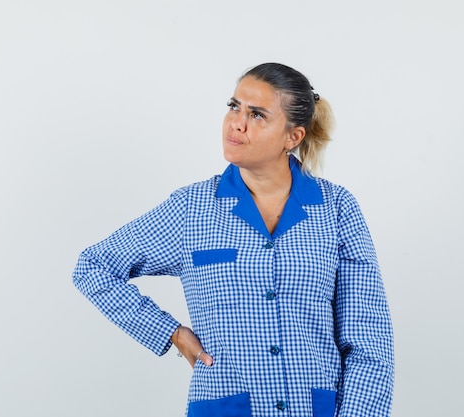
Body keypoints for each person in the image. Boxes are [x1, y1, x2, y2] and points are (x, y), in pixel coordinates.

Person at [73, 63, 394, 417]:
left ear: (293, 137)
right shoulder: (191, 209)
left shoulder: (336, 209)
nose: (236, 123)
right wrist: (172, 333)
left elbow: (369, 340)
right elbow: (93, 267)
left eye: (257, 114)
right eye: (234, 106)